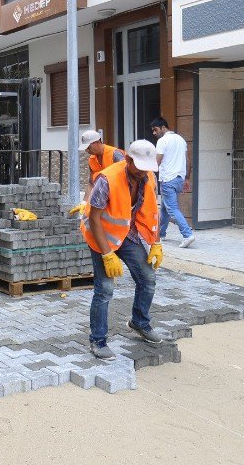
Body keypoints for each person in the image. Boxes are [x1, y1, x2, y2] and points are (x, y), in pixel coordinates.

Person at [80, 140, 166, 362]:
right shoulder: (107, 179)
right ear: (127, 160)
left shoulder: (147, 178)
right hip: (100, 237)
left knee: (147, 278)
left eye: (147, 167)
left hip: (126, 234)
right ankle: (98, 340)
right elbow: (94, 218)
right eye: (139, 166)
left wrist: (156, 242)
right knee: (105, 289)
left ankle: (140, 322)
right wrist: (107, 254)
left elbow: (152, 211)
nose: (143, 172)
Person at [151, 117, 194, 248]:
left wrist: (148, 175)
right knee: (164, 208)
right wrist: (186, 178)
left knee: (172, 209)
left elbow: (157, 162)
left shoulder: (162, 141)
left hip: (167, 180)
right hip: (179, 179)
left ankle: (187, 235)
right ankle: (161, 234)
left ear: (163, 127)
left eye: (155, 130)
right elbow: (188, 161)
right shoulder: (181, 139)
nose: (154, 133)